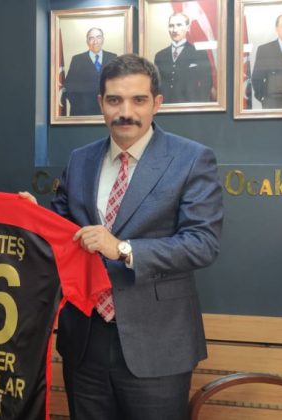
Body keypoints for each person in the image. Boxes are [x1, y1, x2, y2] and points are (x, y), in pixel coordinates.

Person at [51, 54, 223, 419]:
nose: (125, 112)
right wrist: (26, 214)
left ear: (157, 103)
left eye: (138, 100)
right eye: (115, 100)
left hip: (158, 343)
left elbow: (202, 244)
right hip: (85, 341)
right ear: (101, 103)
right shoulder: (80, 160)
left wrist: (123, 249)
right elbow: (59, 230)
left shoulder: (191, 159)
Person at [154, 12, 213, 103]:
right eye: (171, 26)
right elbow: (156, 85)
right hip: (165, 107)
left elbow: (206, 84)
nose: (174, 30)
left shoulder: (199, 54)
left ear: (188, 28)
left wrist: (200, 106)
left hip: (191, 107)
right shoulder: (160, 56)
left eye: (179, 25)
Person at [63, 27, 117, 116]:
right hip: (82, 112)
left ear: (103, 39)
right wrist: (78, 105)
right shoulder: (77, 59)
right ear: (87, 41)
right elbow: (69, 86)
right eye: (91, 38)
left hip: (107, 111)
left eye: (98, 37)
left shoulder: (113, 58)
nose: (95, 41)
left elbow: (117, 84)